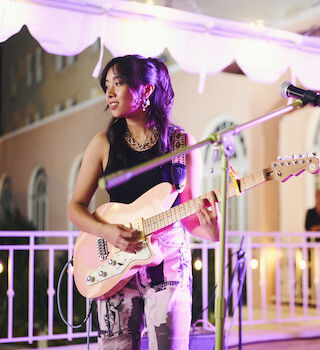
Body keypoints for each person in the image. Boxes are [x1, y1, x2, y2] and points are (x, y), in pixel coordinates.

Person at [67, 55, 220, 350]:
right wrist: (109, 233)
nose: (109, 92)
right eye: (107, 85)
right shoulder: (103, 143)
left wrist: (213, 232)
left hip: (168, 265)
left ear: (147, 90)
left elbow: (188, 216)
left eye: (119, 83)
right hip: (114, 266)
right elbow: (75, 207)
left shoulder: (181, 143)